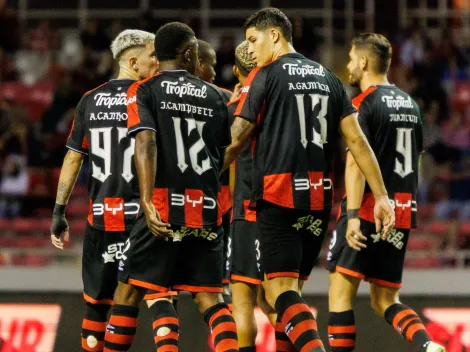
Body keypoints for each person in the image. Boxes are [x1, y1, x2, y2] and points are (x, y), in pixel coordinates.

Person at [224, 8, 395, 352]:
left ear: (275, 35)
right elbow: (358, 141)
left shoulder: (264, 75)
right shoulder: (327, 77)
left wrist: (208, 170)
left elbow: (238, 137)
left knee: (277, 294)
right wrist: (381, 196)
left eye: (253, 40)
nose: (251, 49)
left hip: (278, 195)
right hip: (318, 201)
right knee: (292, 297)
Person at [103, 22, 238, 352]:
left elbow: (145, 141)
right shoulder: (215, 96)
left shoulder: (143, 90)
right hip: (206, 210)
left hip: (162, 208)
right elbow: (222, 151)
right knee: (212, 300)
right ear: (190, 53)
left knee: (128, 292)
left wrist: (147, 201)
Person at [327, 33, 446, 352]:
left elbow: (354, 163)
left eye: (351, 59)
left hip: (367, 209)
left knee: (340, 291)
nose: (349, 65)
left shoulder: (362, 103)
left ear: (364, 62)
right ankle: (427, 345)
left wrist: (352, 216)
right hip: (403, 211)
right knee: (385, 299)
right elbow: (416, 161)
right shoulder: (411, 104)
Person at [49, 29, 158, 352]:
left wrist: (59, 211)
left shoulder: (89, 100)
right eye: (152, 55)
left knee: (96, 304)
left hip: (101, 217)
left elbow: (72, 157)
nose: (157, 61)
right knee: (159, 298)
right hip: (143, 216)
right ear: (133, 60)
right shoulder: (149, 96)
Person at [228, 40, 290, 352]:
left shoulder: (231, 109)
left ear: (237, 71)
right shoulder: (284, 104)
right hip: (282, 204)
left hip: (247, 210)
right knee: (277, 298)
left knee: (243, 300)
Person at [196, 38, 234, 306]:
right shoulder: (226, 99)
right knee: (218, 290)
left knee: (162, 290)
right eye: (212, 65)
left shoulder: (159, 97)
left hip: (175, 202)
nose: (215, 71)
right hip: (218, 202)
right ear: (199, 65)